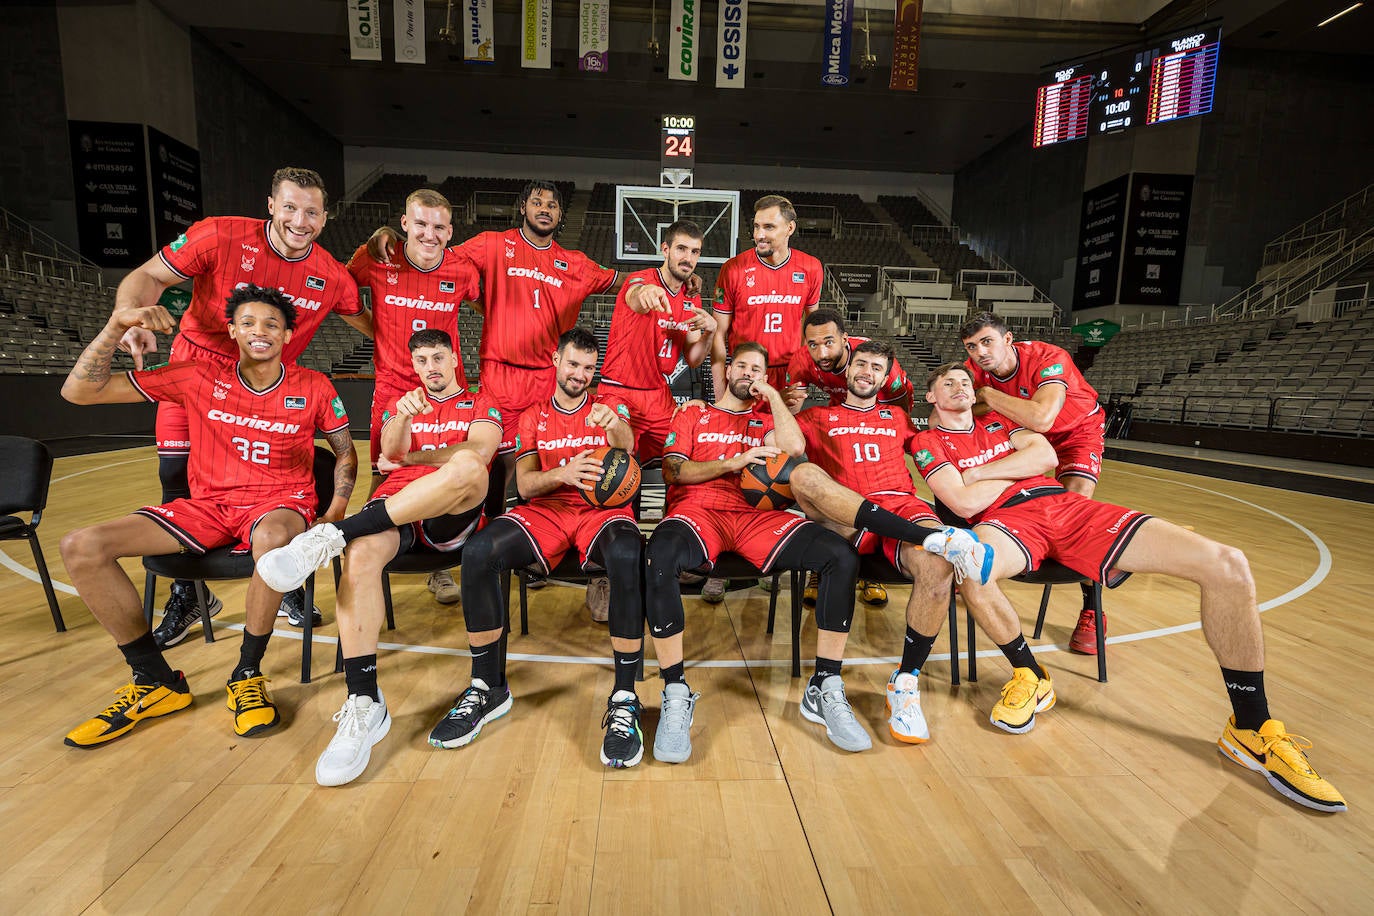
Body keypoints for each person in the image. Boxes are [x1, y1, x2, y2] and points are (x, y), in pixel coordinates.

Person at [914, 362, 1346, 813]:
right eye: (948, 382)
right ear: (931, 397)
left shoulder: (1002, 423)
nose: (961, 386)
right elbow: (960, 501)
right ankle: (1031, 675)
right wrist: (1011, 472)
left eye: (966, 381)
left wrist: (981, 474)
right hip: (1003, 523)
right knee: (973, 571)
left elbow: (1046, 460)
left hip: (1066, 507)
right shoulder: (927, 440)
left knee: (1228, 564)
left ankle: (1252, 726)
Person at [643, 342, 990, 760]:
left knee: (839, 556)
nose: (749, 373)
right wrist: (731, 464)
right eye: (743, 365)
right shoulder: (694, 412)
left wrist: (771, 397)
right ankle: (676, 690)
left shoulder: (768, 418)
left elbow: (792, 453)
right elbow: (672, 469)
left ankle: (825, 684)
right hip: (701, 511)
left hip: (759, 519)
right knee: (659, 556)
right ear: (728, 368)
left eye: (759, 368)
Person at [58, 285, 357, 747]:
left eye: (272, 324)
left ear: (288, 334)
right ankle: (154, 680)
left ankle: (247, 672)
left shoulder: (313, 385)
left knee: (273, 541)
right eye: (250, 323)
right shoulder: (195, 376)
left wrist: (334, 509)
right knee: (81, 546)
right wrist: (117, 324)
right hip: (208, 507)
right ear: (232, 330)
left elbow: (344, 453)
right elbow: (78, 391)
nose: (261, 331)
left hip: (280, 504)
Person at [113, 166, 371, 640]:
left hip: (267, 394)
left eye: (311, 212)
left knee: (283, 479)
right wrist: (130, 317)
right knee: (176, 477)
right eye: (290, 207)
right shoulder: (217, 235)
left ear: (325, 218)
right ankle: (189, 595)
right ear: (270, 205)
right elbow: (147, 276)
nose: (300, 220)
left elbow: (369, 321)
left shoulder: (331, 276)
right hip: (194, 377)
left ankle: (285, 578)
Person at [424, 328, 650, 769]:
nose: (580, 375)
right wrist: (563, 474)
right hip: (547, 510)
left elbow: (629, 451)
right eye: (573, 365)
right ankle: (487, 687)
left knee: (627, 555)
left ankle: (625, 696)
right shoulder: (531, 416)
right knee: (478, 553)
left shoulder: (609, 409)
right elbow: (525, 484)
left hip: (599, 512)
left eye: (588, 368)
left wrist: (616, 428)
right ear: (556, 361)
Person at [315, 329, 501, 786]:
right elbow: (387, 461)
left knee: (468, 467)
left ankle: (333, 533)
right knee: (359, 555)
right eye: (422, 360)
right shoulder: (402, 406)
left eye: (439, 357)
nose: (431, 367)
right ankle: (364, 702)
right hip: (395, 517)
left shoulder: (482, 404)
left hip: (448, 519)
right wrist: (398, 419)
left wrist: (417, 455)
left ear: (455, 359)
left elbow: (478, 451)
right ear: (414, 366)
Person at [792, 339, 952, 743]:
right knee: (818, 509)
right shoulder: (816, 416)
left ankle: (906, 684)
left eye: (876, 367)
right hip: (848, 516)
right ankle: (826, 683)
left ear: (885, 377)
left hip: (901, 507)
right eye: (860, 363)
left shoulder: (897, 417)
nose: (866, 372)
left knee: (938, 566)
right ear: (847, 371)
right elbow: (777, 439)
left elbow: (942, 442)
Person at [347, 188, 481, 605]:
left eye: (439, 226)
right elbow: (339, 293)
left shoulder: (463, 269)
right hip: (391, 384)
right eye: (420, 223)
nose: (430, 233)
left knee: (441, 471)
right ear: (404, 224)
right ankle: (374, 554)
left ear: (450, 231)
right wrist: (379, 333)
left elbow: (487, 306)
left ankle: (438, 566)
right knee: (385, 469)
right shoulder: (376, 256)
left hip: (441, 387)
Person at [960, 311, 1107, 654]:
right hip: (1020, 434)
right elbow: (955, 409)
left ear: (1008, 339)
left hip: (1075, 434)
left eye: (987, 342)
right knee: (980, 489)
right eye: (971, 346)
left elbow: (1042, 417)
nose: (980, 352)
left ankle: (1092, 610)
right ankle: (970, 564)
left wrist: (988, 396)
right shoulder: (972, 371)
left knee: (1076, 515)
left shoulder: (1048, 357)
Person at [785, 308, 916, 609]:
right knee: (824, 475)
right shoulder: (802, 360)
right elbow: (790, 405)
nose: (821, 351)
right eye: (813, 344)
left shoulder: (876, 367)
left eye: (829, 342)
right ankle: (819, 565)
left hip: (876, 406)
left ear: (846, 341)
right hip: (839, 408)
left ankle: (872, 571)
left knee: (873, 477)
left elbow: (898, 413)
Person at [710, 194, 823, 396]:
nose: (759, 235)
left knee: (786, 428)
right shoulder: (733, 269)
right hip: (746, 372)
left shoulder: (811, 267)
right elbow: (718, 334)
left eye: (769, 227)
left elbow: (813, 327)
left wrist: (803, 371)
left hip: (790, 370)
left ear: (790, 228)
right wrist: (719, 395)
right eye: (756, 227)